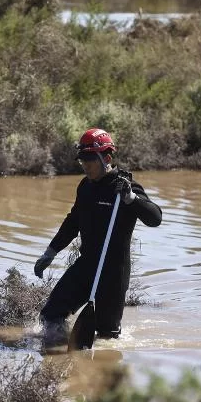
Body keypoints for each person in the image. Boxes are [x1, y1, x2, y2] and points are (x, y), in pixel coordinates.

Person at [34, 128, 163, 346]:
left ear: (107, 158)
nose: (85, 166)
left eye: (90, 161)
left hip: (113, 274)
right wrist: (51, 251)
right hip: (86, 266)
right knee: (50, 316)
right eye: (82, 161)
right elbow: (73, 221)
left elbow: (155, 218)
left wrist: (131, 198)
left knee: (107, 338)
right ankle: (57, 356)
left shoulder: (124, 187)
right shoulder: (85, 186)